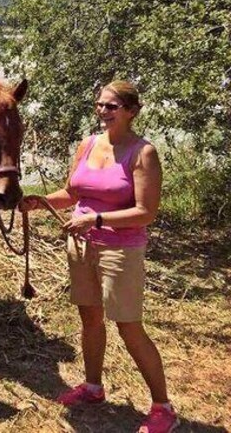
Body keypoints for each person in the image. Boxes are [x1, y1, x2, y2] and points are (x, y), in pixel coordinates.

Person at [20, 81, 177, 433]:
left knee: (129, 327)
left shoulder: (142, 152)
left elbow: (145, 212)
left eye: (112, 106)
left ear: (132, 111)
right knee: (89, 318)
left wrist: (97, 219)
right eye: (100, 105)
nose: (104, 111)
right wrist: (40, 202)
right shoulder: (88, 144)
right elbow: (72, 192)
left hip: (120, 249)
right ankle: (93, 387)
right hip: (80, 246)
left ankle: (163, 406)